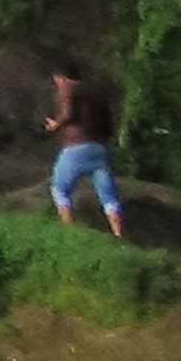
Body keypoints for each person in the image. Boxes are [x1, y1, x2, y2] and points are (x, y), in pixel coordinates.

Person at [47, 63, 128, 237]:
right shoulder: (96, 93)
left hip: (76, 147)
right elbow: (109, 122)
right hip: (99, 148)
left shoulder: (68, 88)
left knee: (59, 190)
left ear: (61, 77)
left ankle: (69, 234)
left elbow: (68, 113)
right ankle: (119, 236)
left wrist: (56, 124)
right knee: (109, 197)